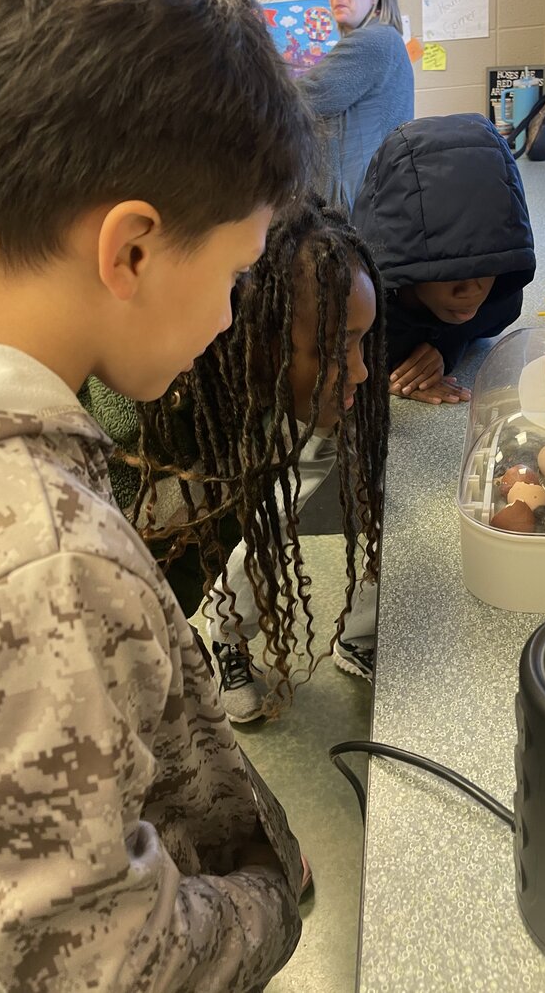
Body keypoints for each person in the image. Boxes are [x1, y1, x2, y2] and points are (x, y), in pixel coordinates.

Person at [0, 0, 315, 992]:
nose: (228, 313)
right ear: (132, 250)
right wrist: (266, 899)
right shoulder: (46, 558)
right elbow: (102, 964)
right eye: (237, 272)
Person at [125, 197, 388, 723]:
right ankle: (223, 640)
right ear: (254, 339)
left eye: (363, 343)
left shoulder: (288, 400)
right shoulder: (167, 448)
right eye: (338, 349)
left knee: (263, 529)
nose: (360, 370)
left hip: (272, 423)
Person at [352, 112, 537, 404]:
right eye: (449, 271)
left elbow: (499, 312)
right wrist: (380, 372)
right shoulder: (360, 309)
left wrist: (445, 346)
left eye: (486, 265)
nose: (472, 289)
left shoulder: (500, 297)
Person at [299, 0, 414, 213]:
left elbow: (304, 96)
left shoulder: (372, 41)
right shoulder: (385, 38)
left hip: (356, 209)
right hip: (372, 202)